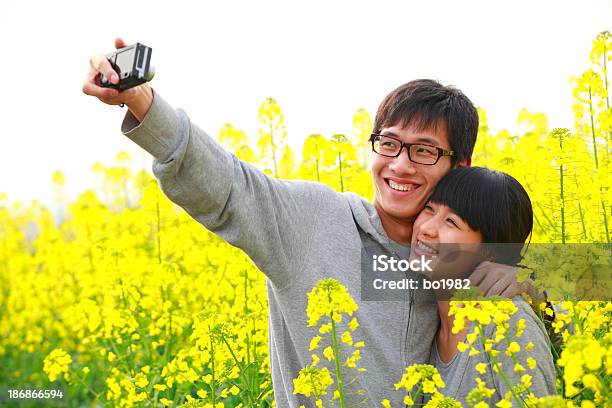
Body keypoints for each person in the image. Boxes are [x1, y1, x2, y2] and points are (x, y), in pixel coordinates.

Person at [82, 38, 529, 407]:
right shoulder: (316, 219)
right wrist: (142, 102)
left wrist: (530, 278)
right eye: (388, 144)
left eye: (425, 151)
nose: (401, 165)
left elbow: (589, 280)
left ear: (461, 165)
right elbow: (230, 187)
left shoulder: (450, 256)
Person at [409, 167, 556, 405]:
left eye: (451, 222)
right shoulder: (423, 319)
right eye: (429, 209)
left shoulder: (508, 324)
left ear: (489, 249)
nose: (426, 228)